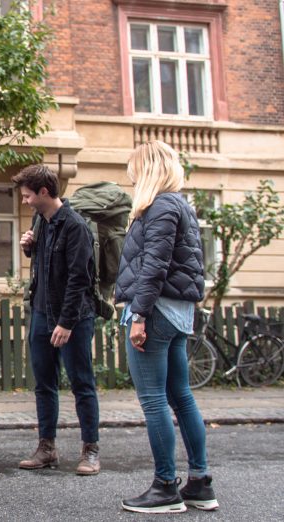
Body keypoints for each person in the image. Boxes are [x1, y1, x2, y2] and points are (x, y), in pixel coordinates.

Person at [115, 140, 218, 513]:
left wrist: (138, 315)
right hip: (177, 312)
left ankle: (164, 488)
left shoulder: (158, 207)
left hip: (153, 311)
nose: (131, 179)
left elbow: (154, 266)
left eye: (133, 172)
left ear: (146, 170)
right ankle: (200, 483)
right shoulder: (182, 206)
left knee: (155, 399)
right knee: (181, 396)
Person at [12, 164, 101, 476]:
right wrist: (29, 249)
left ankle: (90, 450)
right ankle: (46, 448)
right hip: (40, 312)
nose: (24, 201)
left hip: (73, 318)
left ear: (44, 192)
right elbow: (46, 266)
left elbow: (80, 279)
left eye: (27, 196)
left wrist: (65, 323)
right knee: (44, 384)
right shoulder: (42, 221)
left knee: (82, 384)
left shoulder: (75, 226)